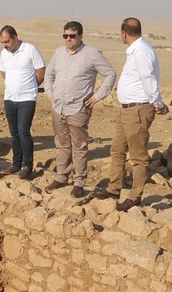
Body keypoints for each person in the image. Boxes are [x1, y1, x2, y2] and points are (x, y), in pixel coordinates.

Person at [94, 17, 168, 211]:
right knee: (117, 150)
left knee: (138, 156)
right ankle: (114, 188)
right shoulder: (136, 50)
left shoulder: (141, 52)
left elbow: (148, 79)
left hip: (137, 110)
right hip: (126, 109)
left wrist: (158, 103)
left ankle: (135, 196)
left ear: (124, 32)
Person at [43, 21, 117, 198]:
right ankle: (61, 177)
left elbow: (110, 74)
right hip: (59, 107)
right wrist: (50, 92)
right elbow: (49, 73)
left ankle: (79, 182)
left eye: (72, 36)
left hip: (78, 108)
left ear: (80, 36)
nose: (68, 39)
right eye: (65, 36)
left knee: (79, 146)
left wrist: (97, 96)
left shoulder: (92, 54)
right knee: (61, 143)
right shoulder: (59, 52)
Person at [0, 25, 45, 179]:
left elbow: (40, 71)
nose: (4, 45)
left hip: (27, 98)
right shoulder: (4, 53)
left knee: (23, 131)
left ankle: (27, 165)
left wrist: (30, 87)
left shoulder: (30, 50)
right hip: (10, 98)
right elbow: (3, 72)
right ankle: (16, 163)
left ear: (15, 37)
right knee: (14, 133)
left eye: (7, 41)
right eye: (2, 42)